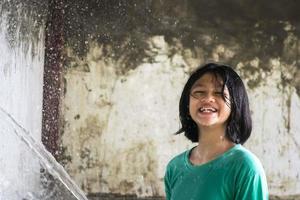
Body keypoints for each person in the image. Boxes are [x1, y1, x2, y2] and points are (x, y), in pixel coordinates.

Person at [164, 63, 268, 200]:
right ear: (187, 102)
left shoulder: (245, 167)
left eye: (219, 93)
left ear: (236, 103)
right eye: (199, 92)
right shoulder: (175, 167)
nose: (208, 99)